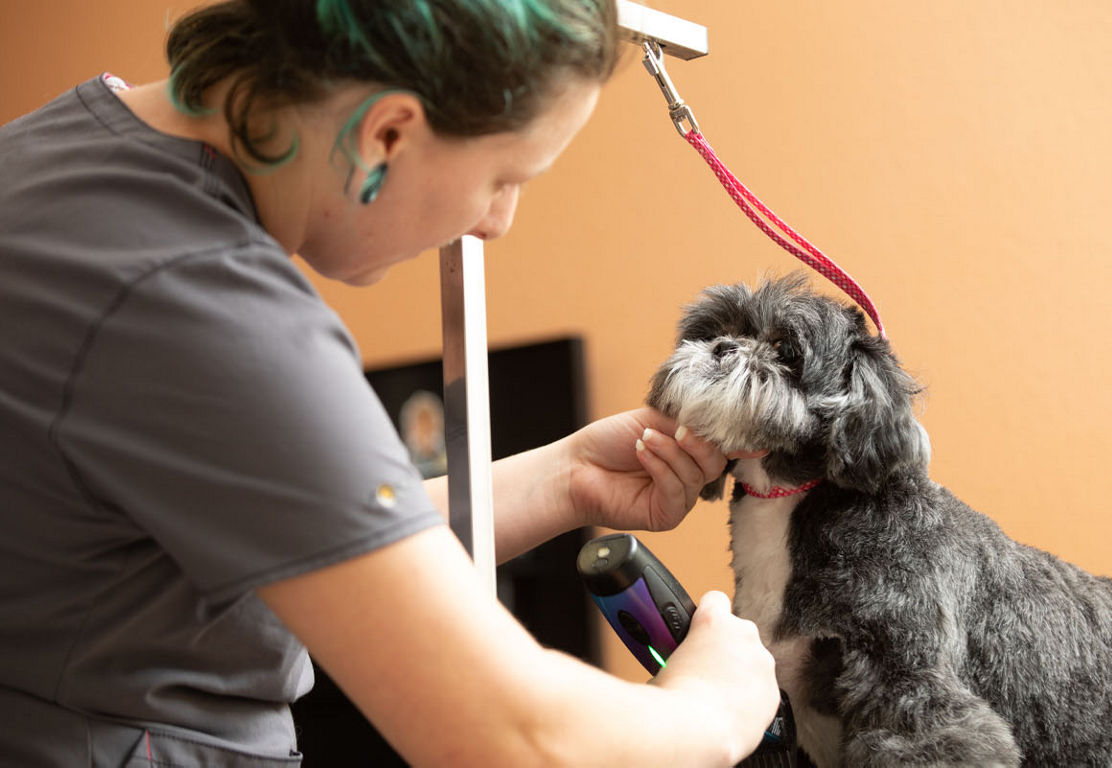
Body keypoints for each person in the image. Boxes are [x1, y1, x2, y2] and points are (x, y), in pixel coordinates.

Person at [0, 0, 779, 765]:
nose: (497, 221)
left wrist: (566, 477)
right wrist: (713, 709)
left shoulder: (53, 156)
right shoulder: (206, 307)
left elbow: (301, 537)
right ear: (387, 133)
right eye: (506, 176)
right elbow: (514, 739)